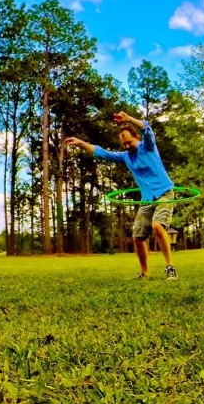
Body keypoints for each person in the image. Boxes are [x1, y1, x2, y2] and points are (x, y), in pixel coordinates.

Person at [64, 111, 177, 280]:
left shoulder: (148, 147)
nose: (126, 146)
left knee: (157, 226)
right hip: (147, 198)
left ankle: (170, 267)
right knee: (138, 236)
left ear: (136, 138)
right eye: (123, 144)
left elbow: (147, 127)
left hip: (164, 193)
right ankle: (145, 273)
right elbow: (102, 153)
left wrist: (129, 119)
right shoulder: (126, 157)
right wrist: (80, 143)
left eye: (129, 142)